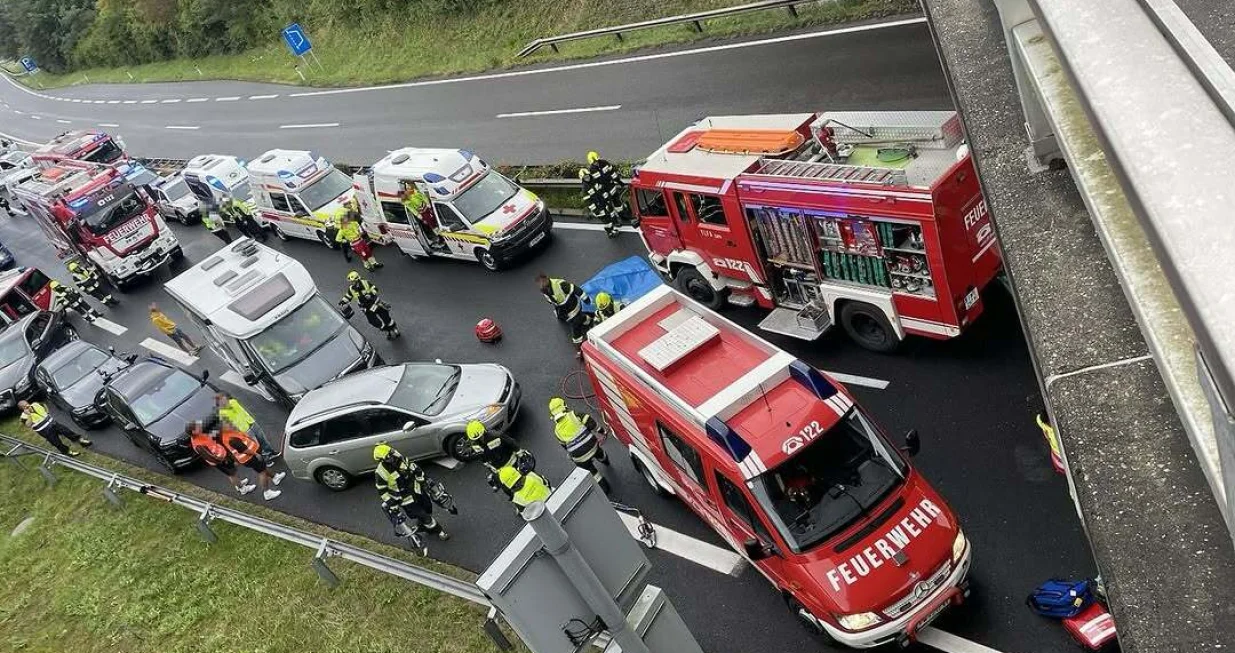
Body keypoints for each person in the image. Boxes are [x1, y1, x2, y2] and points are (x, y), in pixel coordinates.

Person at [373, 443, 449, 543]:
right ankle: (439, 531)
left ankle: (423, 525)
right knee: (424, 515)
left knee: (427, 508)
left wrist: (425, 480)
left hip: (417, 491)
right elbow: (382, 491)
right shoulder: (381, 473)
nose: (393, 456)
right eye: (389, 456)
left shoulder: (400, 459)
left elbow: (414, 468)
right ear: (382, 460)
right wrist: (392, 505)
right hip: (405, 500)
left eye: (391, 452)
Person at [548, 397, 610, 492]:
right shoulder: (574, 415)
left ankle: (605, 488)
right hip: (592, 445)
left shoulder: (557, 431)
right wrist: (601, 431)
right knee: (598, 452)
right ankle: (604, 459)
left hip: (579, 457)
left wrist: (571, 455)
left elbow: (565, 446)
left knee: (591, 471)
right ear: (565, 406)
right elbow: (592, 424)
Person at [188, 422, 255, 495]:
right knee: (231, 474)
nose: (199, 427)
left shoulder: (199, 435)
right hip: (220, 461)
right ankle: (243, 489)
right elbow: (209, 457)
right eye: (197, 428)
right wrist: (222, 460)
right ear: (193, 432)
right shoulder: (198, 445)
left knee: (233, 472)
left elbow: (210, 436)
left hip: (223, 456)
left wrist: (219, 430)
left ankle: (239, 483)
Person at [219, 425, 284, 500]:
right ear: (223, 429)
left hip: (248, 457)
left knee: (262, 468)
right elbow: (244, 450)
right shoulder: (231, 438)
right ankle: (267, 492)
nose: (228, 423)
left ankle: (275, 477)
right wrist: (255, 454)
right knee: (262, 472)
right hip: (250, 457)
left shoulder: (226, 435)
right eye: (225, 424)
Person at [217, 393, 278, 461]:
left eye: (224, 398)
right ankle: (266, 459)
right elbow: (229, 425)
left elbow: (243, 411)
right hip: (244, 430)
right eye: (222, 400)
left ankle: (270, 452)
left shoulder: (233, 402)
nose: (224, 400)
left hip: (251, 422)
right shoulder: (222, 413)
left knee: (262, 439)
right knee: (256, 445)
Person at [340, 270, 400, 339]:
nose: (351, 283)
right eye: (350, 281)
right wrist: (343, 302)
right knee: (373, 321)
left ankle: (395, 330)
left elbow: (375, 289)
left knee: (385, 317)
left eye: (352, 281)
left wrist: (370, 294)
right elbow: (348, 296)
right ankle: (387, 330)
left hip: (375, 303)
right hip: (366, 308)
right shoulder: (351, 289)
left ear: (357, 280)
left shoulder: (365, 282)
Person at [19, 399, 90, 456]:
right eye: (24, 406)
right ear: (22, 408)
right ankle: (68, 452)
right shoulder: (24, 416)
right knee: (56, 442)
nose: (27, 406)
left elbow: (44, 405)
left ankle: (81, 441)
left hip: (53, 423)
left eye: (26, 404)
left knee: (67, 431)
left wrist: (47, 413)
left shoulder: (35, 404)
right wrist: (29, 415)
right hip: (45, 430)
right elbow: (28, 425)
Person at [536, 273, 590, 349]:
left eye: (542, 282)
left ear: (546, 279)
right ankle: (586, 319)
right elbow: (552, 301)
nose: (541, 285)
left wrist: (586, 299)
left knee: (575, 327)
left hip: (573, 307)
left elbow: (575, 289)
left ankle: (579, 346)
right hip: (563, 309)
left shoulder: (559, 284)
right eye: (539, 284)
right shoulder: (544, 290)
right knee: (572, 319)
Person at [585, 151, 626, 237]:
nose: (596, 163)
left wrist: (619, 181)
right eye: (594, 162)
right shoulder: (591, 170)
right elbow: (595, 184)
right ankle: (615, 222)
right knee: (609, 208)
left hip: (612, 187)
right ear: (591, 163)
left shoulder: (604, 163)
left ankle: (623, 216)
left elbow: (613, 173)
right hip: (605, 192)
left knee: (618, 204)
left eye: (597, 161)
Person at [400, 181, 445, 249]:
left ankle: (441, 235)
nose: (408, 190)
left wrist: (428, 204)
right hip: (423, 213)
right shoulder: (407, 201)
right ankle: (440, 236)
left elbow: (423, 197)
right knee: (432, 225)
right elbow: (412, 209)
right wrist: (418, 215)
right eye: (408, 188)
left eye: (409, 188)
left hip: (428, 208)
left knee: (436, 220)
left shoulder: (415, 193)